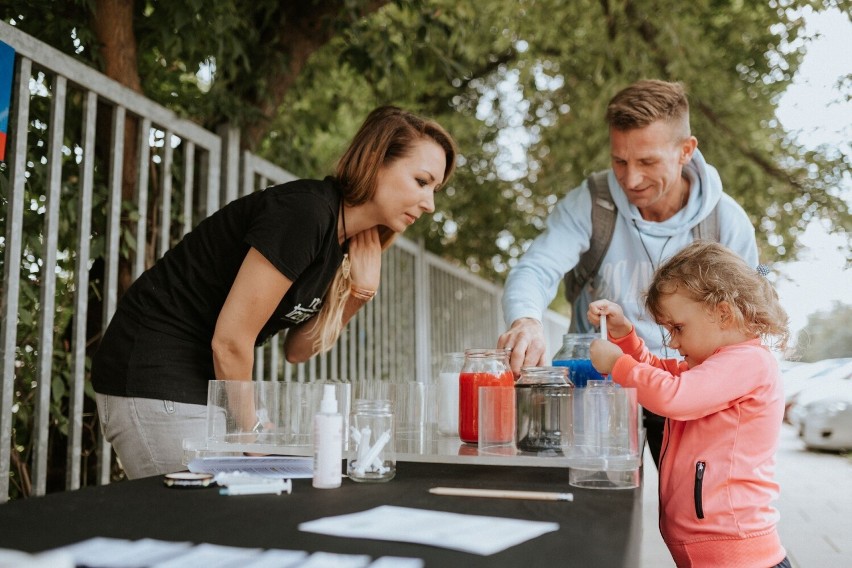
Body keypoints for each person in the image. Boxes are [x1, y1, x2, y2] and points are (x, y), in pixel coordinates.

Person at [91, 106, 457, 479]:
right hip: (154, 376)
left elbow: (297, 350)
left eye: (435, 189)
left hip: (204, 387)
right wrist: (251, 435)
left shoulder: (339, 240)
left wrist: (356, 296)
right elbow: (231, 341)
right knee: (198, 525)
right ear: (376, 161)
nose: (430, 204)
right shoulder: (307, 212)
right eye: (422, 181)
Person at [497, 79, 758, 466]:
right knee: (590, 500)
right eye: (620, 161)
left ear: (685, 150)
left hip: (684, 384)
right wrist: (526, 320)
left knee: (693, 510)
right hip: (598, 380)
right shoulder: (592, 203)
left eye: (648, 162)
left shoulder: (726, 223)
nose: (631, 179)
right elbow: (536, 267)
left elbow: (746, 327)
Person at [587, 240, 791, 568]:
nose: (674, 342)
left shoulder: (748, 362)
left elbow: (672, 395)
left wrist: (617, 365)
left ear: (722, 313)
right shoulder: (709, 366)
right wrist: (624, 336)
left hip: (737, 557)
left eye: (678, 328)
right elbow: (655, 370)